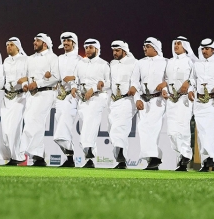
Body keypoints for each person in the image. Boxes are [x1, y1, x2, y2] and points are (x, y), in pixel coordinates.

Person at [22, 33, 60, 166]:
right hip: (30, 95)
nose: (34, 43)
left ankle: (37, 155)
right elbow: (25, 76)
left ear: (44, 43)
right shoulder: (30, 59)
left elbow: (56, 77)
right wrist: (25, 85)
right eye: (34, 40)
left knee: (35, 121)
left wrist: (38, 83)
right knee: (29, 122)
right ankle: (38, 155)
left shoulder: (52, 57)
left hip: (45, 93)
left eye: (37, 41)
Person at [71, 39, 110, 168]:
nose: (88, 50)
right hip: (82, 100)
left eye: (90, 48)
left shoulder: (104, 64)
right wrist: (73, 87)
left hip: (97, 98)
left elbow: (109, 83)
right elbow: (75, 78)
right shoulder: (80, 63)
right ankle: (89, 158)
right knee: (86, 127)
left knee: (90, 124)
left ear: (97, 50)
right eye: (86, 47)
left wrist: (95, 88)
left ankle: (88, 152)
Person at [130, 37, 167, 170]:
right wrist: (137, 99)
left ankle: (154, 158)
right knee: (143, 128)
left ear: (155, 48)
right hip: (143, 100)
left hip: (158, 100)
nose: (145, 48)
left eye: (148, 46)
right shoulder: (140, 63)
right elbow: (134, 82)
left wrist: (165, 85)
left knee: (153, 127)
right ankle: (153, 158)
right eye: (144, 46)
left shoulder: (165, 62)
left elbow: (170, 79)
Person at [162, 36, 197, 171]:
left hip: (184, 100)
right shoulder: (169, 62)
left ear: (185, 46)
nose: (176, 46)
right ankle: (181, 158)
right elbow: (164, 79)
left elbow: (196, 78)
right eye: (175, 43)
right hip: (171, 100)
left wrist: (188, 84)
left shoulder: (190, 61)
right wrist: (164, 90)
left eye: (179, 43)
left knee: (182, 128)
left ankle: (186, 155)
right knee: (171, 132)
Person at [191, 39, 214, 172]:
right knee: (202, 131)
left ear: (213, 50)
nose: (204, 51)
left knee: (212, 130)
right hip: (199, 102)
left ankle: (210, 158)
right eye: (202, 49)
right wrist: (190, 90)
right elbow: (193, 80)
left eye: (207, 49)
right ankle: (206, 160)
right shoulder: (197, 65)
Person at [0, 37, 28, 166]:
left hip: (20, 97)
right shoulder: (6, 61)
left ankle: (18, 156)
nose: (9, 47)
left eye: (11, 45)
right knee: (4, 130)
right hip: (6, 98)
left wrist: (25, 80)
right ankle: (10, 156)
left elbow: (32, 74)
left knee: (14, 128)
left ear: (18, 47)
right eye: (7, 45)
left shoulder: (25, 60)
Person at [108, 40, 137, 169]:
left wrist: (135, 91)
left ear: (124, 51)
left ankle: (121, 157)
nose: (114, 53)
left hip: (127, 100)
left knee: (120, 127)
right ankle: (121, 160)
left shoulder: (134, 63)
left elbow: (137, 81)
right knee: (114, 129)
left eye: (117, 50)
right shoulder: (112, 64)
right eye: (113, 50)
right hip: (114, 101)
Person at [54, 32, 82, 167]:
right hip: (59, 97)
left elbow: (84, 76)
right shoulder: (58, 58)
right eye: (64, 41)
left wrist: (72, 79)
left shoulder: (79, 60)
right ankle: (70, 158)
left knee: (61, 129)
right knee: (61, 125)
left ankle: (70, 153)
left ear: (74, 43)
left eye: (68, 41)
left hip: (72, 96)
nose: (65, 43)